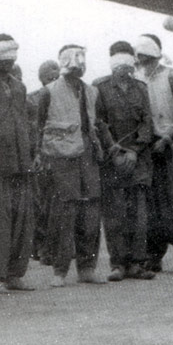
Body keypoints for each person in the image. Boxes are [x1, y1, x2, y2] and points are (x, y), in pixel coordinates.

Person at [36, 44, 106, 287]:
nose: (77, 66)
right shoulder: (47, 92)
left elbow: (95, 124)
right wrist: (41, 158)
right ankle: (60, 270)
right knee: (65, 214)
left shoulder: (91, 92)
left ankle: (87, 268)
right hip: (62, 158)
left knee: (91, 213)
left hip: (88, 155)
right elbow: (38, 128)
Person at [133, 34, 173, 275]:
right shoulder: (135, 76)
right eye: (140, 58)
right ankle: (154, 255)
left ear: (156, 55)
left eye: (147, 58)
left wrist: (169, 137)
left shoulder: (172, 75)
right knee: (149, 206)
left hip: (168, 147)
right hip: (145, 149)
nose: (143, 62)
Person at [94, 43, 156, 281]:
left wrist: (134, 151)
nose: (124, 70)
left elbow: (146, 123)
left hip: (138, 160)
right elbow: (99, 123)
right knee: (115, 212)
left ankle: (137, 264)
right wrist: (115, 151)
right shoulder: (99, 87)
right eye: (119, 65)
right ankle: (118, 264)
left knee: (139, 214)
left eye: (128, 65)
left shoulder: (141, 88)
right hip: (113, 162)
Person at [0, 34, 35, 292]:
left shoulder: (19, 86)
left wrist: (30, 152)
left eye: (11, 58)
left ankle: (15, 273)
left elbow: (25, 120)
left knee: (21, 217)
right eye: (3, 58)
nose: (8, 63)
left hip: (21, 159)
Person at [28, 60, 60, 265]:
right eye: (50, 77)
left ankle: (55, 247)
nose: (54, 81)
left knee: (57, 203)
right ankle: (39, 246)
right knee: (40, 204)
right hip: (40, 156)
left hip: (60, 155)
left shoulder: (65, 98)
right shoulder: (31, 99)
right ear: (41, 78)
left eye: (57, 77)